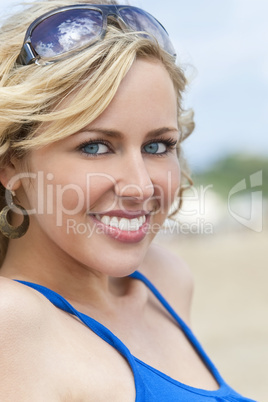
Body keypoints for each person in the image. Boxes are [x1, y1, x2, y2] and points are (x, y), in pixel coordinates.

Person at [0, 1, 257, 401]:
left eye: (157, 145)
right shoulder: (12, 322)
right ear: (10, 164)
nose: (139, 186)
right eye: (96, 147)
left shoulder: (165, 282)